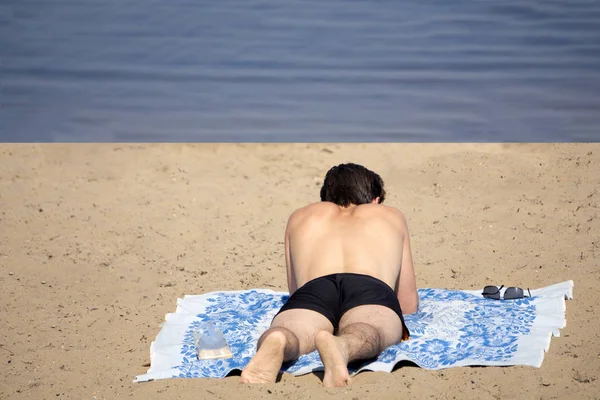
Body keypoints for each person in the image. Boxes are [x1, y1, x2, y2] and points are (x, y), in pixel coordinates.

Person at [241, 163, 419, 387]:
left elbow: (295, 290)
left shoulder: (299, 216)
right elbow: (407, 303)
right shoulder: (390, 215)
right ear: (375, 200)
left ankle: (279, 340)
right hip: (369, 288)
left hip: (314, 289)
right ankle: (344, 345)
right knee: (369, 332)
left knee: (294, 331)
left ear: (325, 198)